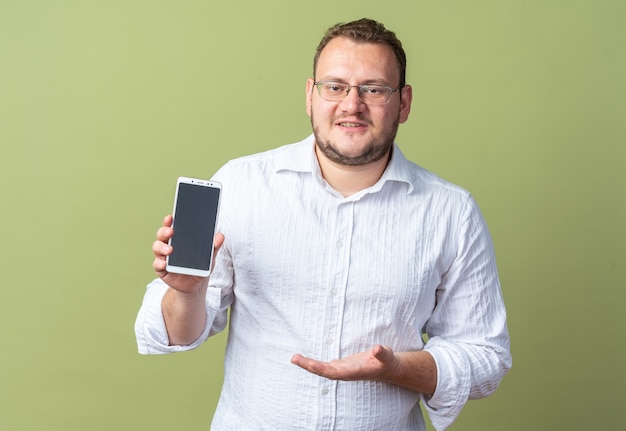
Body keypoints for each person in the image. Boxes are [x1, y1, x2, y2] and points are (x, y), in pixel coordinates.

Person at [135, 18, 511, 431]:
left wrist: (395, 367)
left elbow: (486, 358)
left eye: (373, 89)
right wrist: (187, 294)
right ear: (311, 96)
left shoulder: (451, 212)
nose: (352, 104)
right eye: (335, 87)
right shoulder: (242, 184)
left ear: (403, 103)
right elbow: (175, 333)